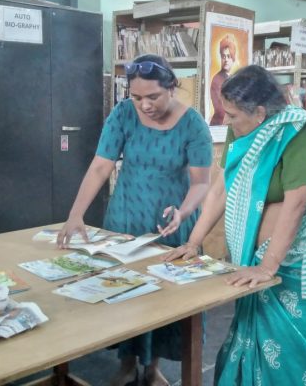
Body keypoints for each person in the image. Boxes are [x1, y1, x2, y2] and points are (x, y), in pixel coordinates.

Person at [165, 65, 306, 385]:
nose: (227, 122)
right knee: (250, 342)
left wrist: (268, 267)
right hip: (257, 259)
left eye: (232, 116)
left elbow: (297, 203)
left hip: (298, 268)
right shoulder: (242, 128)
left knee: (296, 359)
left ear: (259, 112)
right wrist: (193, 241)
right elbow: (222, 187)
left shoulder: (299, 134)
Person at [57, 54, 213, 386]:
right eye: (137, 97)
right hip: (125, 219)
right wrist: (75, 213)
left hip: (169, 223)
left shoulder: (193, 124)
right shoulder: (123, 114)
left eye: (153, 97)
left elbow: (201, 183)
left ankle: (152, 366)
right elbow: (101, 165)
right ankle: (126, 362)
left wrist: (184, 211)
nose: (144, 105)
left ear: (172, 87)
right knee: (123, 292)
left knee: (161, 298)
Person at [209, 34, 237, 126]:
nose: (226, 60)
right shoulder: (217, 80)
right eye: (223, 56)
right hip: (220, 125)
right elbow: (220, 109)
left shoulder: (234, 78)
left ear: (233, 58)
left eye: (229, 56)